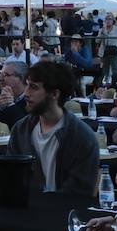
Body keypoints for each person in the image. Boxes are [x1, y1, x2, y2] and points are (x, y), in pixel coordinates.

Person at [6, 61, 99, 205]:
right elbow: (12, 177)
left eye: (34, 87)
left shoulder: (82, 137)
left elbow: (78, 192)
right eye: (27, 85)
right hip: (26, 212)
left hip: (63, 215)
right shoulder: (21, 130)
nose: (26, 93)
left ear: (54, 94)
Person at [0, 60, 30, 128]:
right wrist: (0, 108)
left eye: (5, 75)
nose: (0, 79)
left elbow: (24, 127)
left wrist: (11, 106)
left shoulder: (31, 99)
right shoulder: (1, 96)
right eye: (0, 75)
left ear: (22, 77)